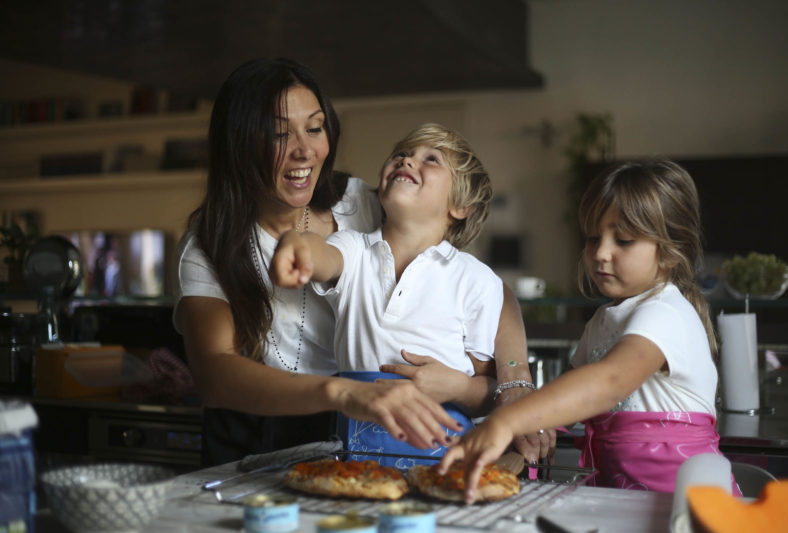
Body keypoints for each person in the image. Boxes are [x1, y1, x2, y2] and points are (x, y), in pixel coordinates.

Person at [173, 58, 552, 465]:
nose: (305, 150)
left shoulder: (364, 204)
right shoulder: (208, 245)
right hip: (258, 428)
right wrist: (343, 392)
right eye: (280, 134)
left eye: (315, 128)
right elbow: (215, 374)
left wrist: (516, 382)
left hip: (361, 423)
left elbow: (492, 294)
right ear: (239, 143)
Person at [440, 159, 739, 502]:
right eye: (593, 238)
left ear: (672, 252)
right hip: (627, 506)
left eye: (623, 240)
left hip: (691, 510)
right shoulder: (602, 321)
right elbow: (567, 402)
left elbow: (607, 383)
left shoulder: (665, 311)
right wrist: (526, 438)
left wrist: (505, 421)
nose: (601, 252)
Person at [270, 123, 536, 465]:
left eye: (431, 159)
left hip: (446, 459)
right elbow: (321, 254)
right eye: (401, 154)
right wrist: (297, 244)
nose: (407, 161)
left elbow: (489, 387)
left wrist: (455, 387)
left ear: (461, 205)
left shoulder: (477, 280)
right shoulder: (353, 249)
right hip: (356, 453)